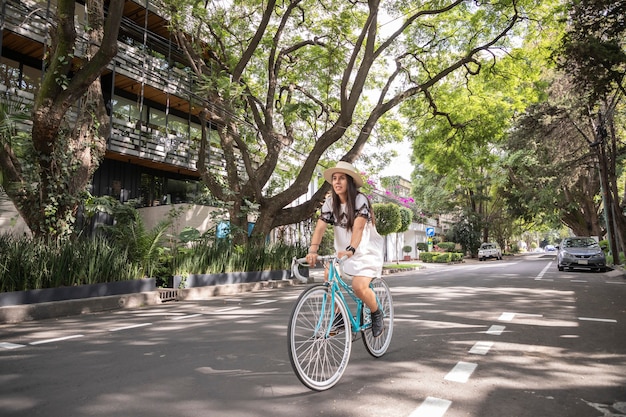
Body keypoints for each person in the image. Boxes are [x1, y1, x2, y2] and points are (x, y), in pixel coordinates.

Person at [306, 161, 385, 337]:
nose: (337, 182)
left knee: (358, 287)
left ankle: (376, 312)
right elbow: (320, 228)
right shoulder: (329, 203)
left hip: (364, 252)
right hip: (343, 253)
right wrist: (313, 250)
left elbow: (358, 228)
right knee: (328, 277)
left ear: (349, 182)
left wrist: (351, 249)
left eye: (341, 178)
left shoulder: (359, 200)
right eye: (334, 178)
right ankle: (339, 317)